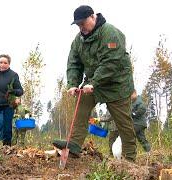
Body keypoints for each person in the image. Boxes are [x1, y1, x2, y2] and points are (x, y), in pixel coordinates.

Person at [52, 5, 137, 161]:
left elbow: (111, 62)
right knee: (81, 106)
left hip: (117, 84)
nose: (81, 27)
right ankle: (74, 145)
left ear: (93, 17)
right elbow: (74, 63)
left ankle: (130, 158)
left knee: (123, 122)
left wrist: (94, 82)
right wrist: (72, 83)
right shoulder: (78, 40)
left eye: (83, 23)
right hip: (93, 83)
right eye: (78, 25)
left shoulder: (110, 33)